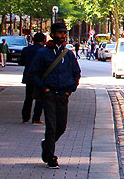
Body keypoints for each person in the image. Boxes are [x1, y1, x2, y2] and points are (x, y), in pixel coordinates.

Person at [27, 21, 81, 169]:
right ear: (52, 34)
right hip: (49, 94)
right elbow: (33, 73)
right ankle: (51, 157)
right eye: (60, 33)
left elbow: (76, 72)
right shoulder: (43, 53)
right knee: (51, 126)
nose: (62, 36)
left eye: (64, 33)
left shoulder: (68, 54)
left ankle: (47, 145)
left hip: (63, 95)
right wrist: (44, 89)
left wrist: (69, 90)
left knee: (61, 126)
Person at [19, 32, 47, 123]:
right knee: (39, 98)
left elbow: (21, 62)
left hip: (29, 76)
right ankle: (36, 118)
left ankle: (25, 117)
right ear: (43, 40)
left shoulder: (26, 49)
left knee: (28, 97)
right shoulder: (44, 51)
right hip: (40, 77)